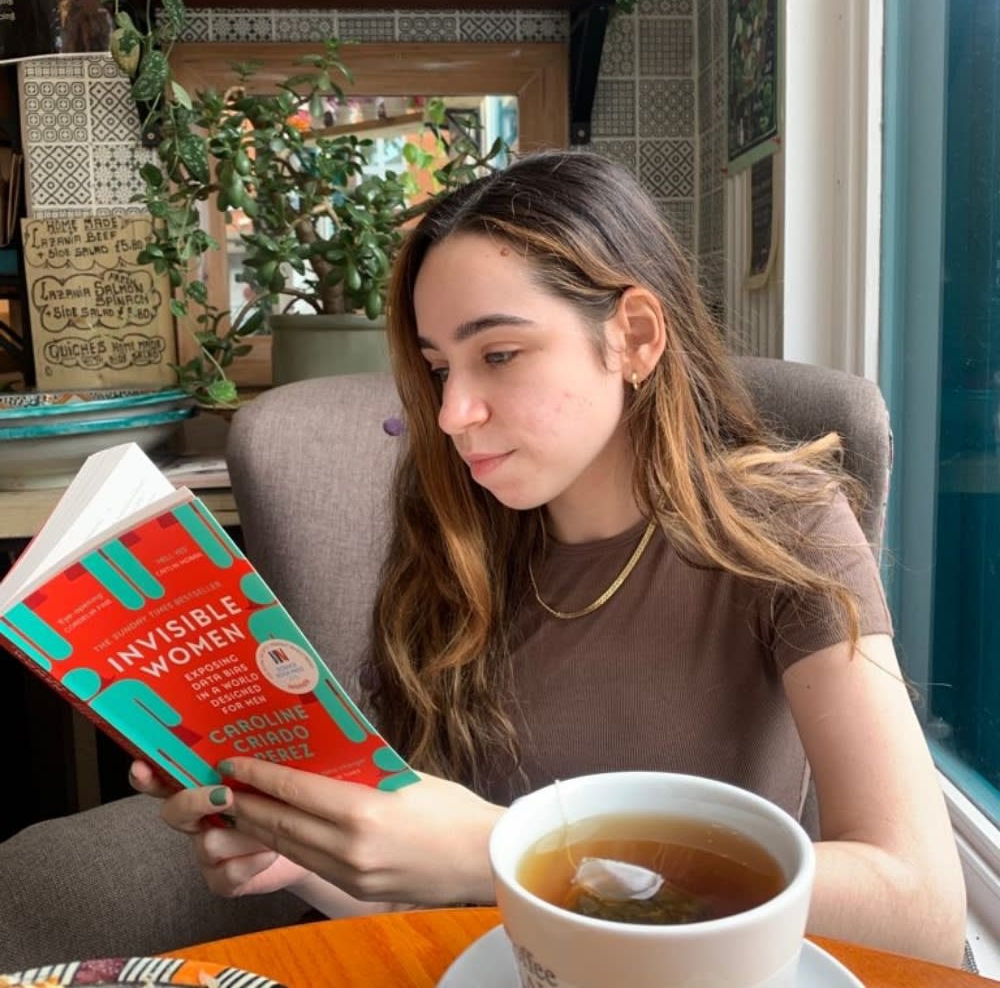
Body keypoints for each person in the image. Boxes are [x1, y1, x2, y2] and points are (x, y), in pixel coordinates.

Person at [130, 150, 967, 966]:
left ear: (633, 337)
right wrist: (310, 852)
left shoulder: (784, 529)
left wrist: (500, 845)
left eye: (498, 354)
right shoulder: (448, 540)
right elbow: (438, 892)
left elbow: (921, 909)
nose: (453, 412)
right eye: (436, 368)